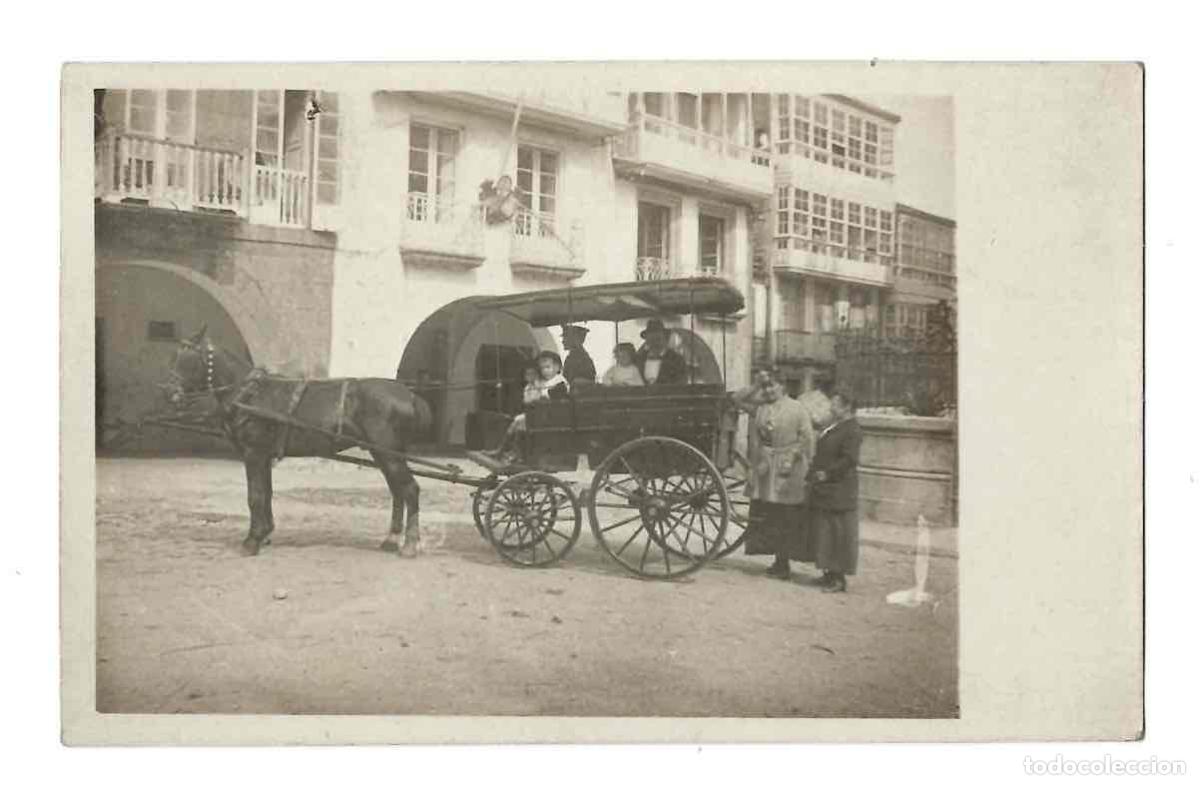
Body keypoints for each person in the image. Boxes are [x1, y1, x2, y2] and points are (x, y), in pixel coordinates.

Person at [731, 366, 815, 579]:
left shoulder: (797, 408)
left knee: (786, 515)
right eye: (766, 387)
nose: (768, 391)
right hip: (766, 466)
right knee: (770, 514)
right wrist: (757, 384)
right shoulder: (760, 409)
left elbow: (807, 438)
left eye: (772, 386)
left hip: (789, 466)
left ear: (783, 386)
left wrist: (794, 456)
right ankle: (778, 561)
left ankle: (784, 561)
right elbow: (737, 400)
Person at [805, 389, 863, 593]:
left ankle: (838, 579)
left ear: (847, 407)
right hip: (827, 488)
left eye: (835, 404)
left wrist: (827, 474)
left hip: (839, 488)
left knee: (839, 533)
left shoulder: (852, 429)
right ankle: (828, 574)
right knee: (826, 532)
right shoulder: (837, 426)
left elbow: (849, 459)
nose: (831, 407)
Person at [484, 351, 569, 463]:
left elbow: (549, 398)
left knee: (519, 421)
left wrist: (539, 393)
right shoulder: (546, 382)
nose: (545, 371)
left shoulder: (559, 381)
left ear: (558, 367)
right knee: (518, 421)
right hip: (544, 416)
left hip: (553, 419)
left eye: (548, 367)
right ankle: (507, 451)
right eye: (542, 368)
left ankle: (506, 451)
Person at [635, 319, 688, 385]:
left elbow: (681, 384)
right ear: (646, 340)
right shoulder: (639, 359)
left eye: (658, 338)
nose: (654, 342)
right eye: (651, 338)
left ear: (665, 338)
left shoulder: (676, 359)